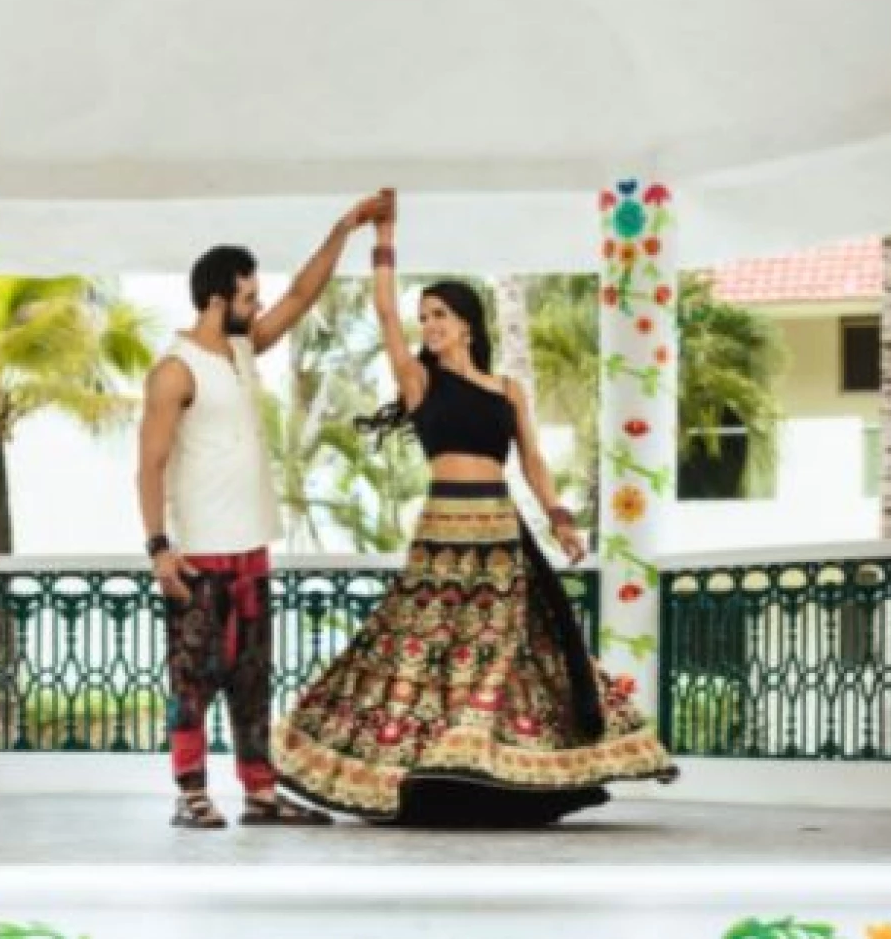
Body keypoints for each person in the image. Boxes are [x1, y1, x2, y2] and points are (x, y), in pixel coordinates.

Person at [274, 190, 678, 825]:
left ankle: (490, 778)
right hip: (441, 534)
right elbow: (383, 311)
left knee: (498, 652)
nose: (428, 325)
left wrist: (558, 516)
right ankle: (418, 774)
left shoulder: (507, 389)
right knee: (418, 649)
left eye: (439, 314)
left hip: (499, 534)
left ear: (467, 323)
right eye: (424, 317)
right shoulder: (419, 382)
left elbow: (533, 460)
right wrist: (383, 236)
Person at [137, 194, 389, 829]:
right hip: (199, 555)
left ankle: (260, 793)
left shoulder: (242, 349)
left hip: (251, 549)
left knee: (253, 680)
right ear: (217, 299)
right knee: (192, 680)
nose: (257, 305)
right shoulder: (175, 371)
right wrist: (158, 547)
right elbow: (149, 465)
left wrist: (346, 228)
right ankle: (191, 793)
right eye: (248, 297)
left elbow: (302, 295)